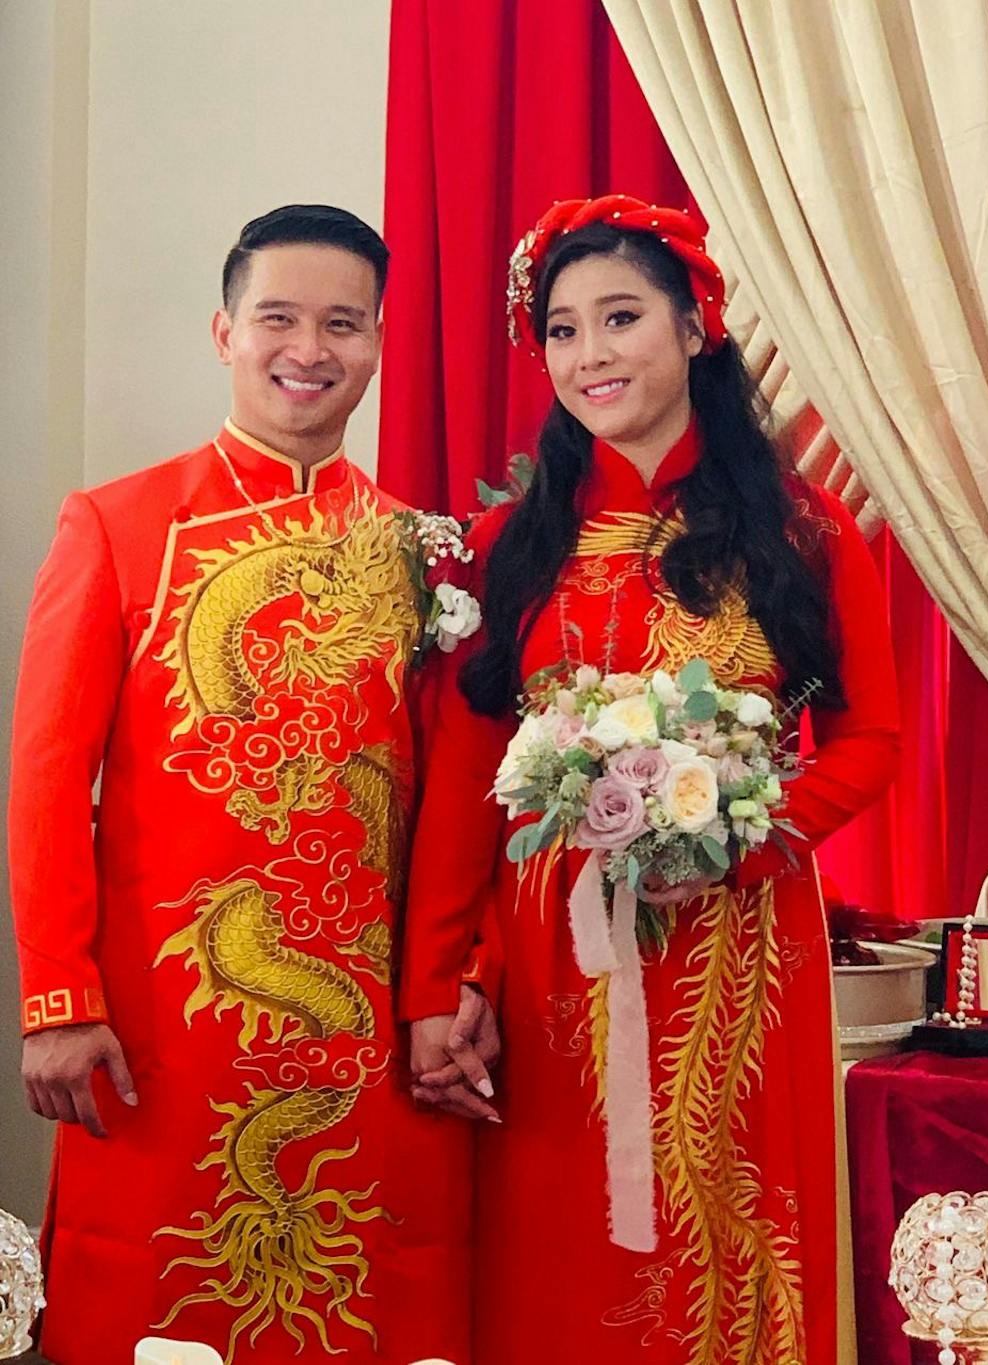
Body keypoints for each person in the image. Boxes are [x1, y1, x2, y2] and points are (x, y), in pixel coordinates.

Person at [401, 194, 900, 1364]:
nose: (590, 353)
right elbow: (467, 779)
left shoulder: (802, 532)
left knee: (723, 1238)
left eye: (620, 317)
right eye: (562, 330)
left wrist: (744, 835)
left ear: (693, 327)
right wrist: (438, 983)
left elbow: (870, 741)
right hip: (549, 959)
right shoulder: (512, 548)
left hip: (742, 947)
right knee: (561, 1252)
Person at [8, 203, 493, 1365]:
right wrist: (58, 998)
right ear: (224, 332)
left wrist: (446, 989)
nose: (308, 349)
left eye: (343, 324)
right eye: (278, 318)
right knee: (154, 1310)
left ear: (377, 345)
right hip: (162, 1030)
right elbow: (44, 776)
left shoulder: (422, 552)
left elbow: (456, 803)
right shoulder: (118, 524)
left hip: (369, 1033)